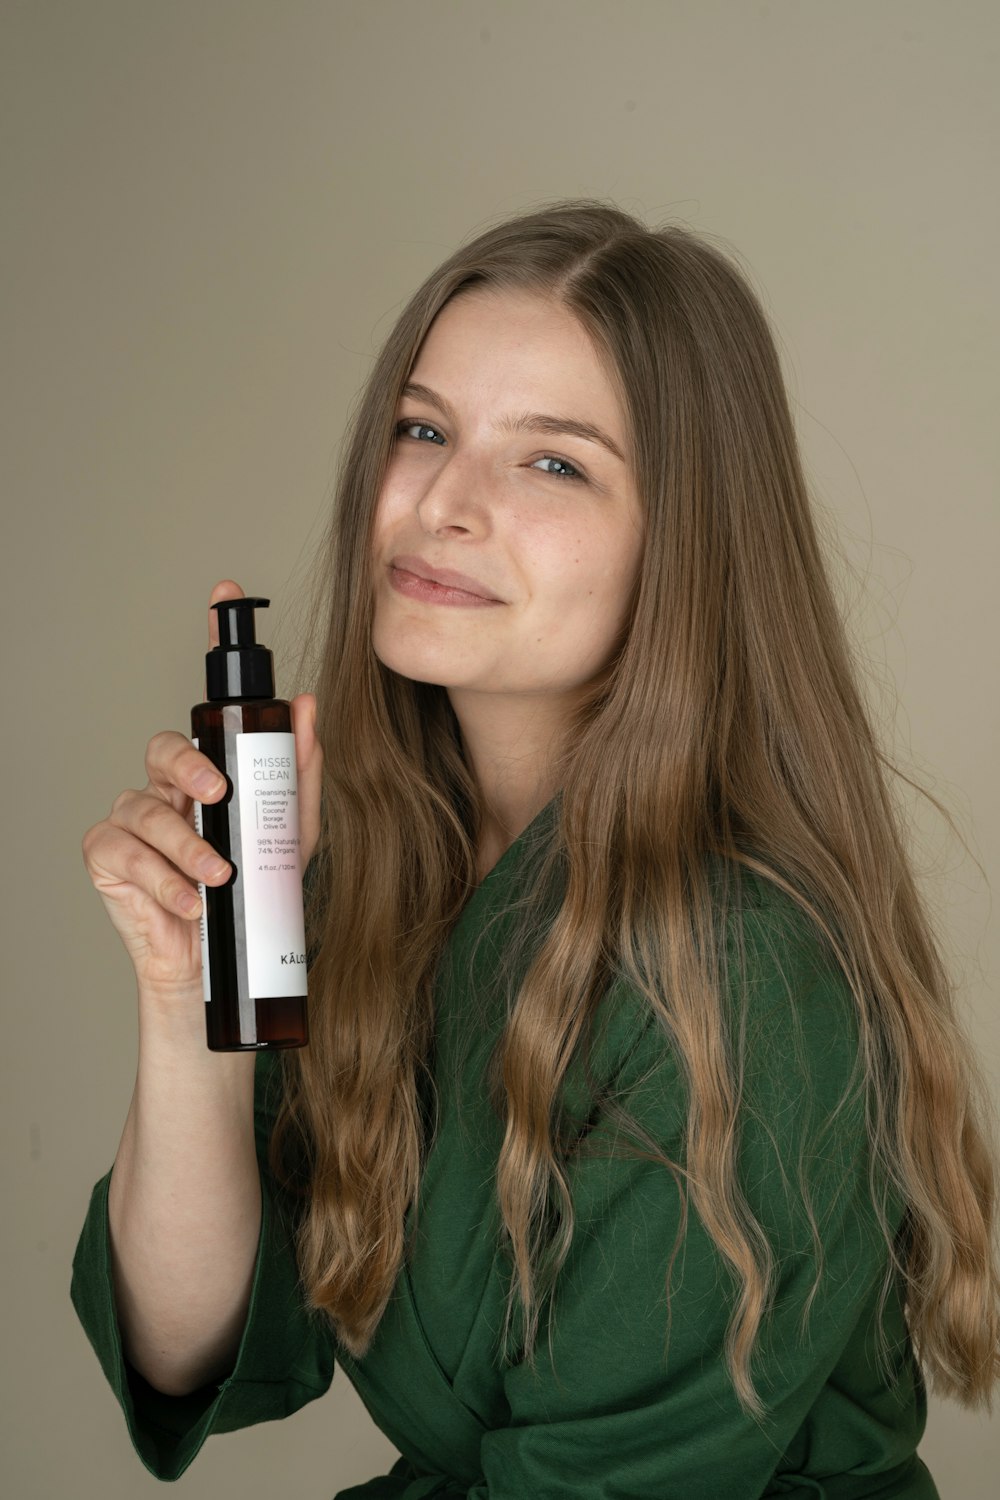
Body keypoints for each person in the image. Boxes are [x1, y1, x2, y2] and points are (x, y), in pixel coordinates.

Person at [73, 199, 999, 1498]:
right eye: (423, 428)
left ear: (680, 542)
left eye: (552, 462)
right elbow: (185, 1348)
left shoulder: (736, 974)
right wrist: (192, 1010)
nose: (445, 501)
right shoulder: (366, 880)